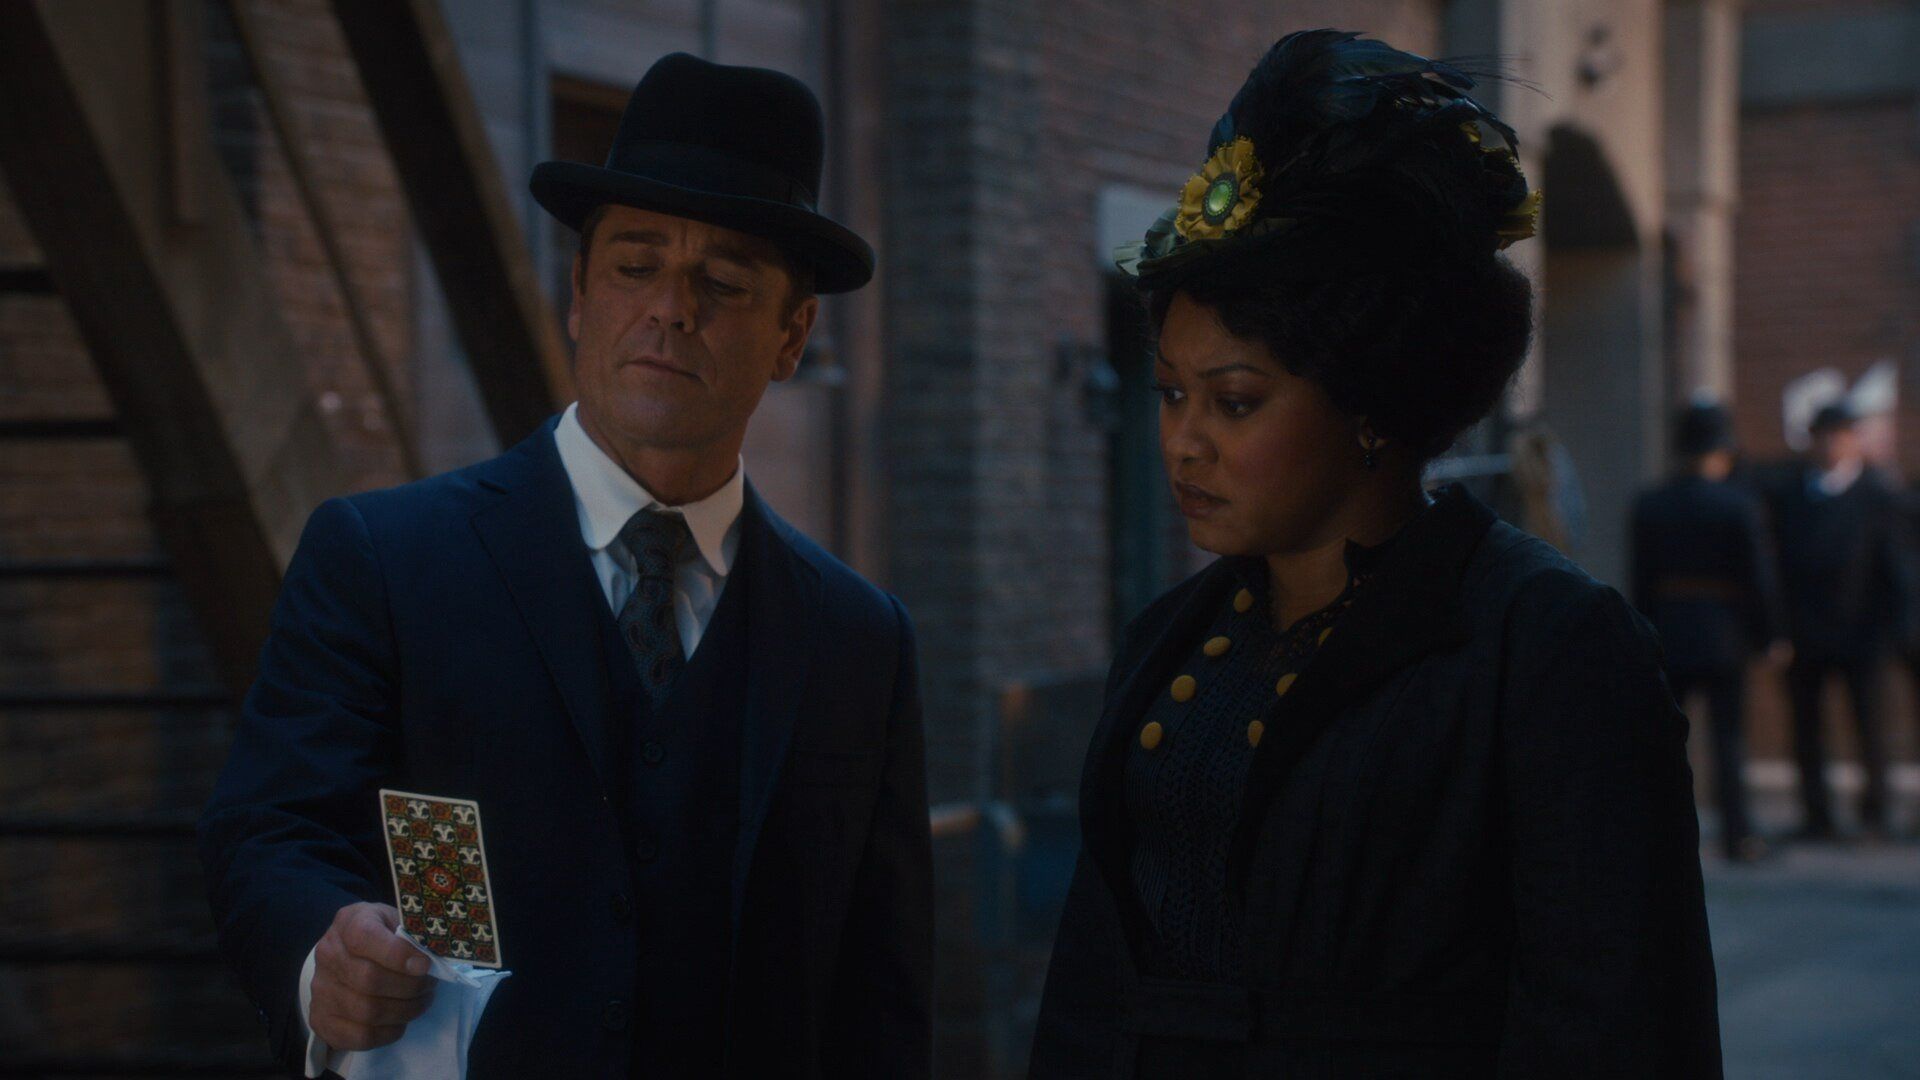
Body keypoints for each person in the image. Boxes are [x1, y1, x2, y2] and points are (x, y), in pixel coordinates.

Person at [198, 53, 932, 1078]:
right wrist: (324, 960)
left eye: (723, 282)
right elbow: (269, 830)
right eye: (635, 266)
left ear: (792, 334)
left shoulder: (859, 639)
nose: (671, 308)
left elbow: (881, 995)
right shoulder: (383, 560)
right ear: (579, 293)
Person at [1030, 30, 1720, 1077]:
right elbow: (1091, 988)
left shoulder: (1544, 649)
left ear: (1368, 405)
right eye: (1169, 393)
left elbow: (1614, 1017)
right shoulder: (1171, 638)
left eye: (1235, 401)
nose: (1183, 442)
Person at [1631, 401, 1789, 862]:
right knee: (1729, 740)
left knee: (1665, 739)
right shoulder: (1739, 504)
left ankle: (1658, 833)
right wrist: (1770, 635)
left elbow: (1640, 579)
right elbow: (1758, 578)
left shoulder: (1650, 504)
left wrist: (1640, 635)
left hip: (1668, 630)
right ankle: (1737, 836)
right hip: (1723, 633)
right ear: (1722, 451)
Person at [1759, 400, 1913, 840]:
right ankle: (1816, 815)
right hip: (1806, 629)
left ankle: (1874, 813)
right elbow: (1777, 565)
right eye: (1824, 436)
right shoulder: (1791, 494)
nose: (1832, 445)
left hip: (1863, 630)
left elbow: (1893, 566)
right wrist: (1778, 629)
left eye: (1841, 435)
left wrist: (1895, 627)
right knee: (1807, 725)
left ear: (1854, 441)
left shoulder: (1878, 495)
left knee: (1870, 725)